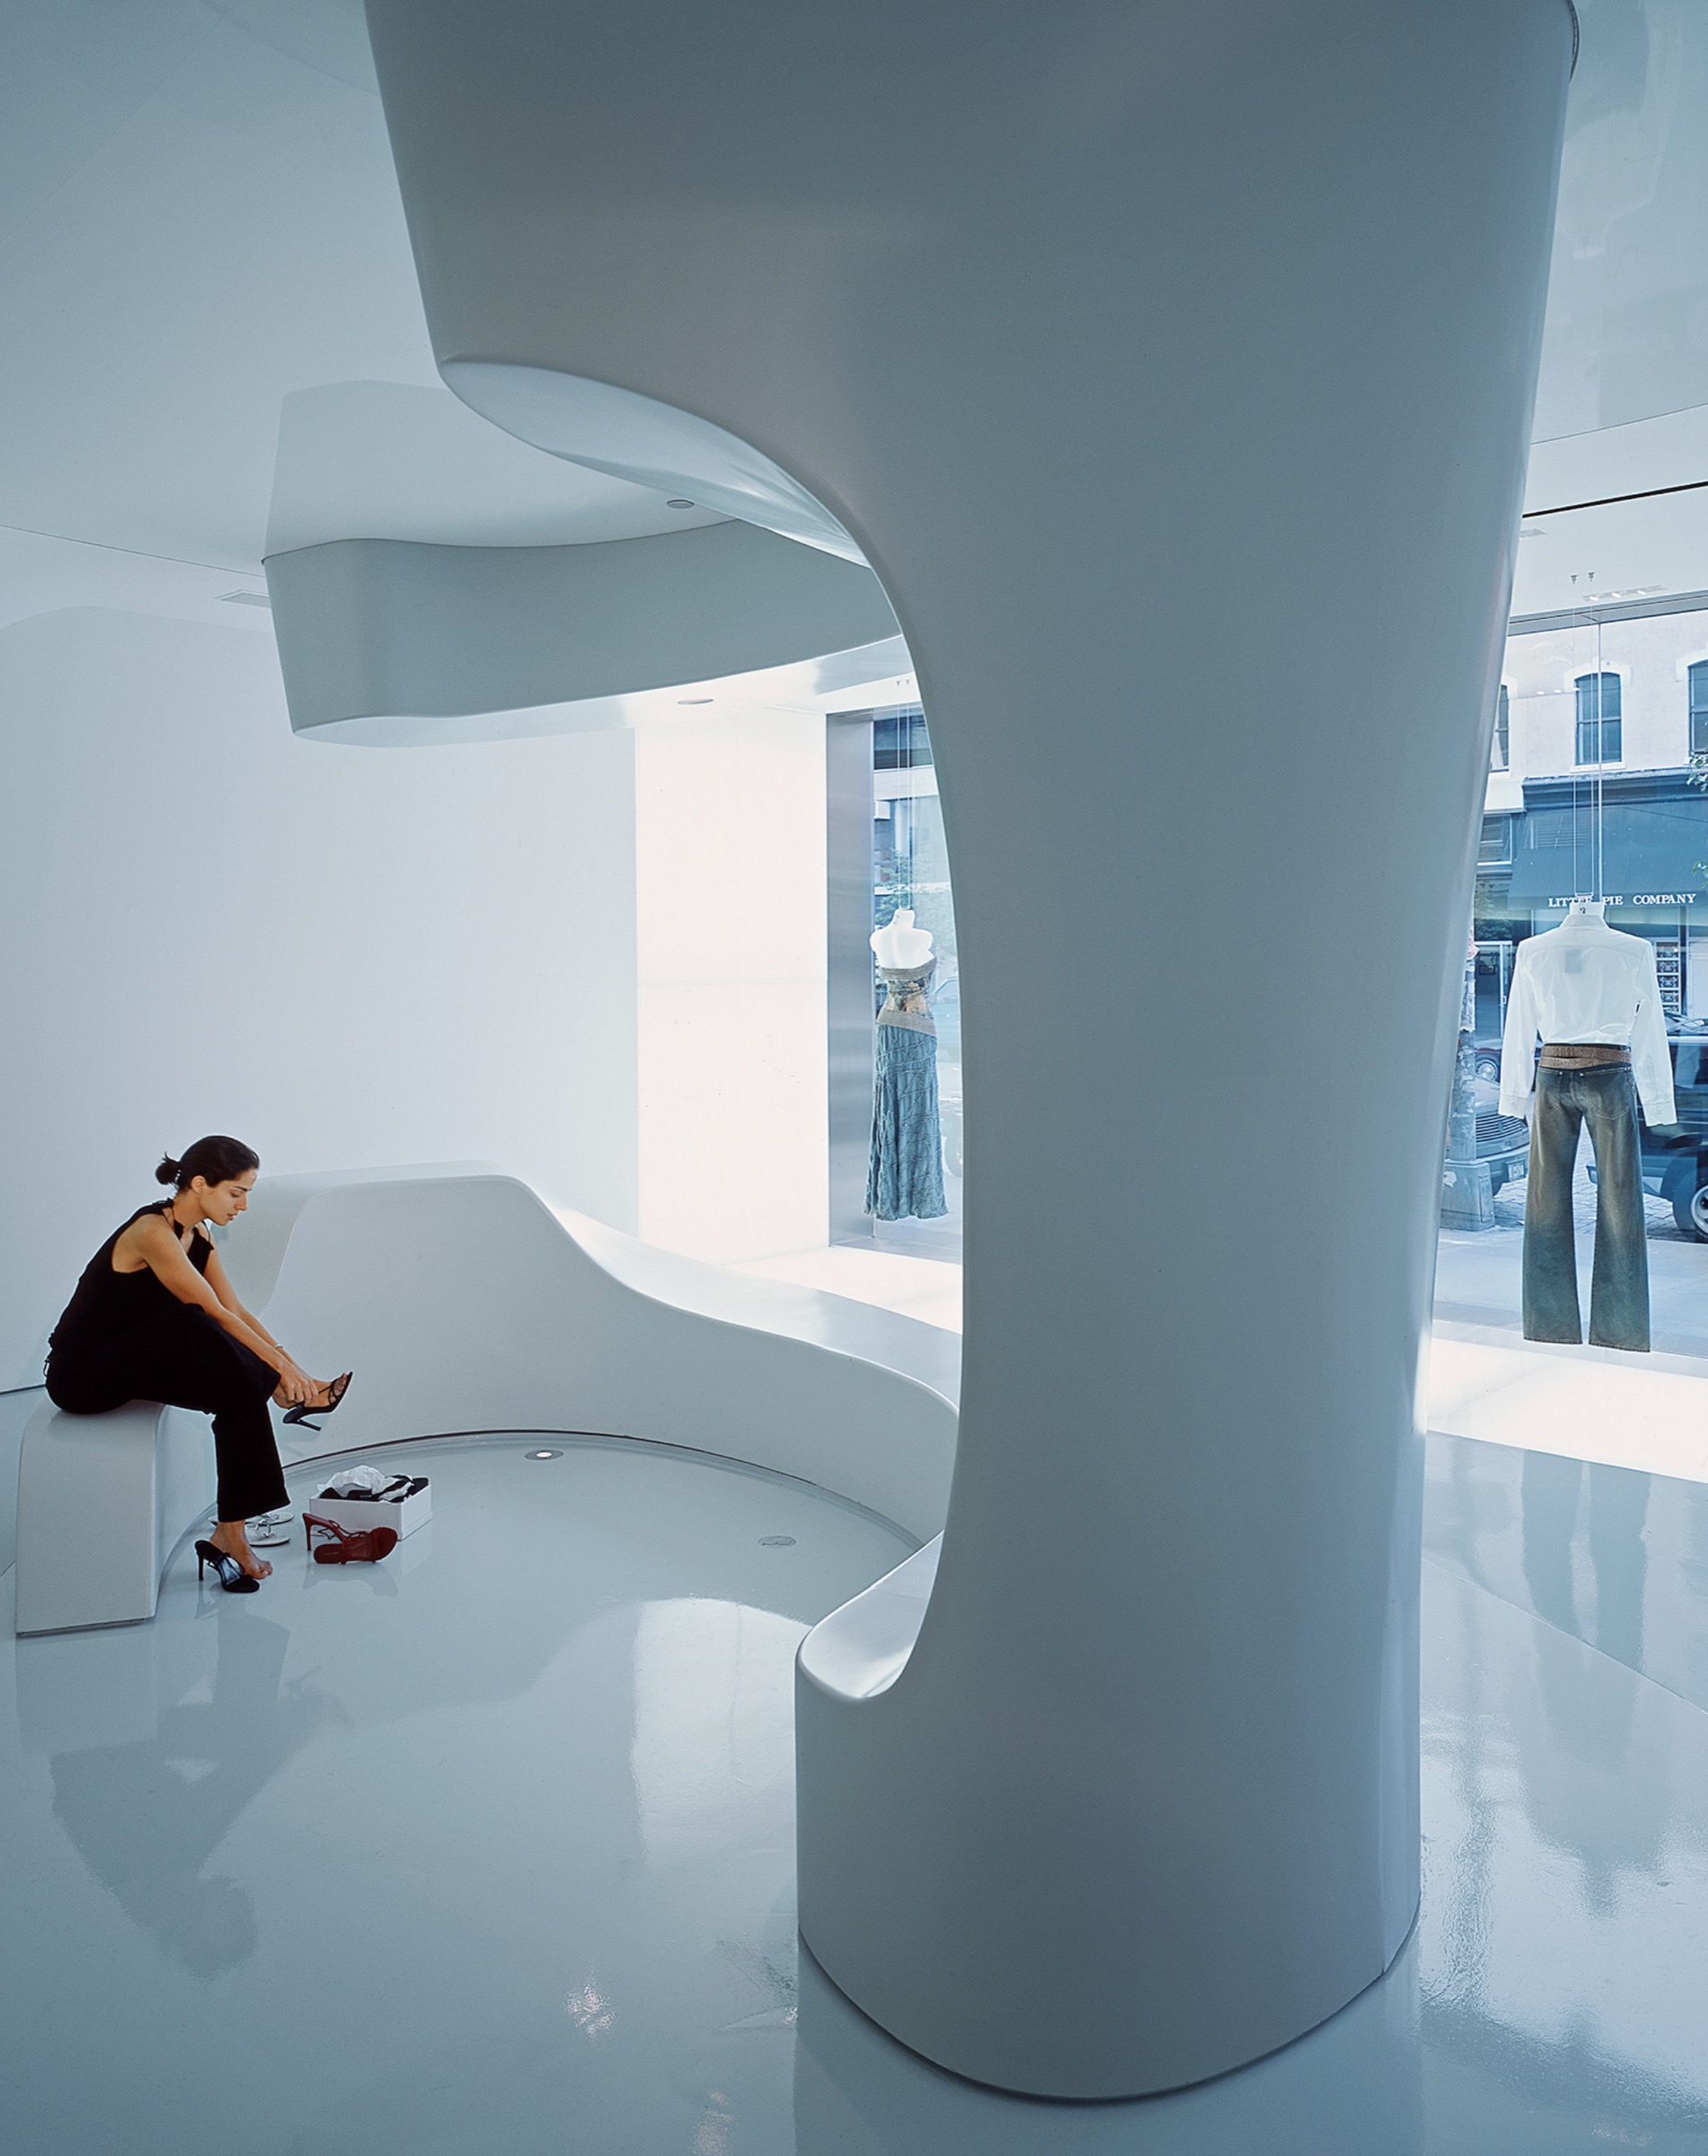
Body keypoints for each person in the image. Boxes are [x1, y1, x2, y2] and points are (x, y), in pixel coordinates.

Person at [44, 1135, 350, 1593]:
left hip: (134, 1363)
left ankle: (232, 1533)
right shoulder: (152, 1232)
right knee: (188, 1319)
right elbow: (212, 1314)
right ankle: (285, 1392)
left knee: (238, 1391)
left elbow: (238, 1311)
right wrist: (286, 1376)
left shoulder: (199, 1237)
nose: (244, 1206)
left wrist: (294, 1365)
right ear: (201, 1184)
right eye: (236, 1192)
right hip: (81, 1375)